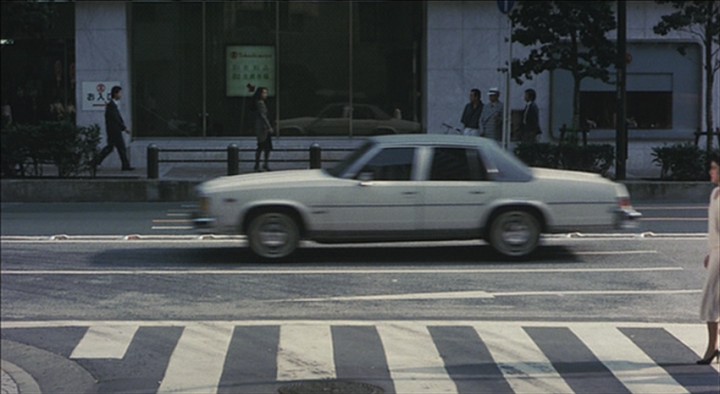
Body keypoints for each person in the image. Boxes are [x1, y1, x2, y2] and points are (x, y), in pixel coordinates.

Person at [697, 153, 720, 365]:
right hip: (716, 252)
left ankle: (712, 347)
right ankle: (713, 346)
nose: (711, 172)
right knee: (711, 301)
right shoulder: (715, 193)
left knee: (710, 300)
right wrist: (710, 252)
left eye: (714, 168)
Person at [95, 85, 134, 171]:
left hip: (113, 131)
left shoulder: (113, 105)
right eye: (120, 93)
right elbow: (116, 119)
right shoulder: (111, 106)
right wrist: (124, 128)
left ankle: (96, 161)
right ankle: (125, 166)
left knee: (110, 148)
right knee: (121, 148)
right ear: (115, 94)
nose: (121, 95)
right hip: (114, 131)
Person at [251, 87, 273, 171]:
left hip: (262, 128)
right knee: (261, 146)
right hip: (262, 129)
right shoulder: (260, 103)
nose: (265, 95)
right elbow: (263, 116)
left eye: (266, 93)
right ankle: (258, 165)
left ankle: (264, 164)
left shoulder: (261, 102)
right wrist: (269, 127)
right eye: (264, 93)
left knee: (266, 147)